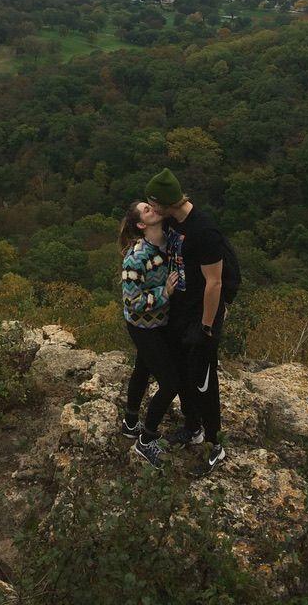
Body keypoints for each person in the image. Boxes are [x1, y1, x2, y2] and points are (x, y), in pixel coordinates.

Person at [145, 168, 228, 476]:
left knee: (204, 383)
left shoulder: (204, 230)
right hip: (180, 313)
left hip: (201, 318)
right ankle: (192, 427)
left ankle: (215, 445)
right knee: (182, 374)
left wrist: (206, 327)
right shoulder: (173, 222)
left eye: (154, 203)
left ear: (166, 202)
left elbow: (215, 283)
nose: (152, 208)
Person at [118, 200, 181, 470]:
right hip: (143, 326)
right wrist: (164, 294)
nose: (153, 208)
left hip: (160, 323)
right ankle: (146, 439)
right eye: (147, 210)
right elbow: (132, 301)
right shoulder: (136, 257)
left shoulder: (169, 241)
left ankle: (130, 423)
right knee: (171, 383)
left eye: (151, 205)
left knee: (142, 371)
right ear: (142, 225)